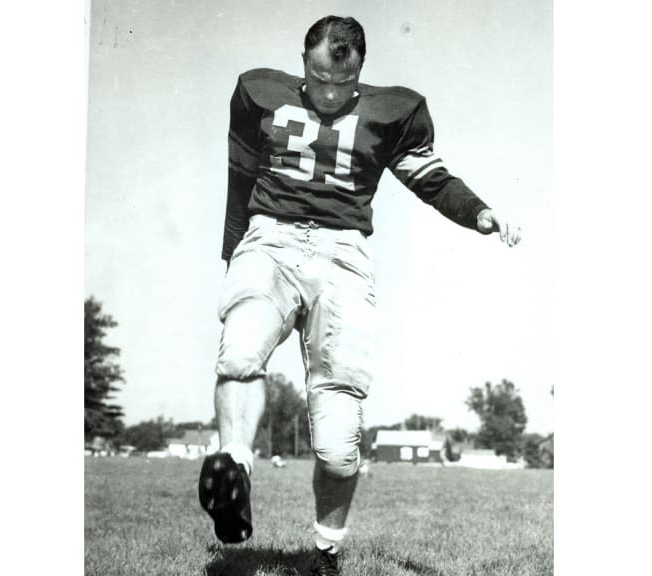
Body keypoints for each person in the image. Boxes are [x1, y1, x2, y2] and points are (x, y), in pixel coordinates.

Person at [198, 15, 522, 576]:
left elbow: (432, 179)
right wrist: (233, 251)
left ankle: (326, 552)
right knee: (239, 349)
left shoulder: (393, 111)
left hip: (343, 256)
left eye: (340, 86)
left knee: (337, 441)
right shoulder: (259, 92)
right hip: (270, 238)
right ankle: (234, 467)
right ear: (304, 62)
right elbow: (240, 175)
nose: (327, 95)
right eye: (318, 79)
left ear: (360, 74)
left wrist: (480, 213)